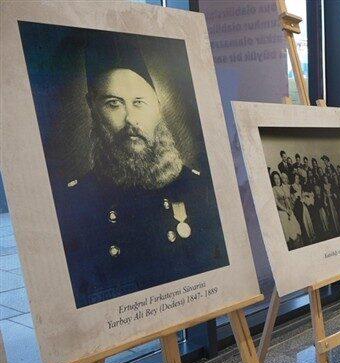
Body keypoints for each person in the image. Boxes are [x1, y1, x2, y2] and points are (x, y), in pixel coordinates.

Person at [58, 33, 228, 307]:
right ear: (92, 107)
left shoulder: (200, 187)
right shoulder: (72, 202)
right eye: (114, 104)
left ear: (158, 107)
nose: (131, 119)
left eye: (139, 102)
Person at [271, 171, 302, 249]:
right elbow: (277, 203)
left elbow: (287, 199)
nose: (277, 180)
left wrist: (290, 209)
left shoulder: (281, 188)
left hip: (288, 211)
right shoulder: (273, 189)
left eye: (278, 178)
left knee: (296, 229)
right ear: (273, 180)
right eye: (275, 179)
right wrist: (286, 210)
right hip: (282, 212)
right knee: (290, 233)